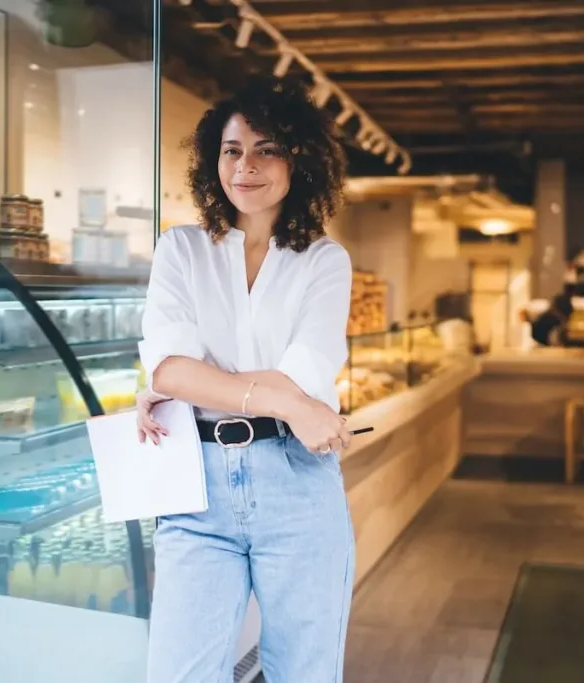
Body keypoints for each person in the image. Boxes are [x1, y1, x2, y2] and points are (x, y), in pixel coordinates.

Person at [133, 76, 355, 683]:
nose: (246, 166)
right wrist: (281, 399)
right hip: (195, 485)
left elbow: (304, 373)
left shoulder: (324, 261)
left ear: (297, 158)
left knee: (303, 674)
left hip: (297, 483)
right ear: (214, 161)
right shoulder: (181, 249)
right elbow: (171, 368)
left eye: (266, 149)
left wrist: (189, 380)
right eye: (232, 150)